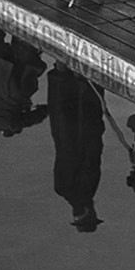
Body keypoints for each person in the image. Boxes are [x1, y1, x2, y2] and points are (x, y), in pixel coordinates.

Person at [48, 63, 104, 232]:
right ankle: (64, 68)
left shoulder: (85, 192)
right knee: (64, 103)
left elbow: (91, 161)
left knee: (84, 103)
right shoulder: (61, 189)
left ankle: (81, 71)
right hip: (64, 136)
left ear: (89, 213)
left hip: (80, 136)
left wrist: (97, 135)